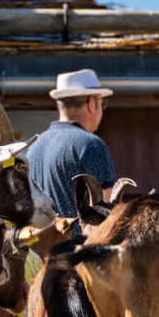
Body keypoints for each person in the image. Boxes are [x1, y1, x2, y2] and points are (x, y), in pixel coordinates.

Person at [27, 68, 116, 221]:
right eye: (102, 103)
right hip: (79, 244)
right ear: (91, 103)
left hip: (38, 243)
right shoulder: (91, 145)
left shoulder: (33, 148)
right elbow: (105, 212)